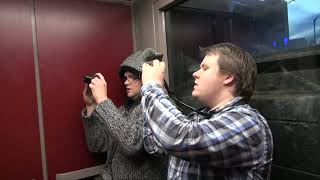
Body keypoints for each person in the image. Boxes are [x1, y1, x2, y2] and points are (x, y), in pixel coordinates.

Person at [141, 43, 273, 180]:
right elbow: (153, 145)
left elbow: (179, 138)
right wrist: (153, 88)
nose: (195, 73)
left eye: (205, 68)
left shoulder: (249, 122)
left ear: (228, 77)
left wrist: (152, 87)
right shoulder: (199, 118)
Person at [81, 49, 167, 180]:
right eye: (125, 78)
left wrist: (103, 100)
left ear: (147, 77)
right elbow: (98, 145)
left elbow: (133, 145)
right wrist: (91, 105)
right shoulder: (123, 111)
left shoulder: (158, 108)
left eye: (133, 77)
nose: (126, 82)